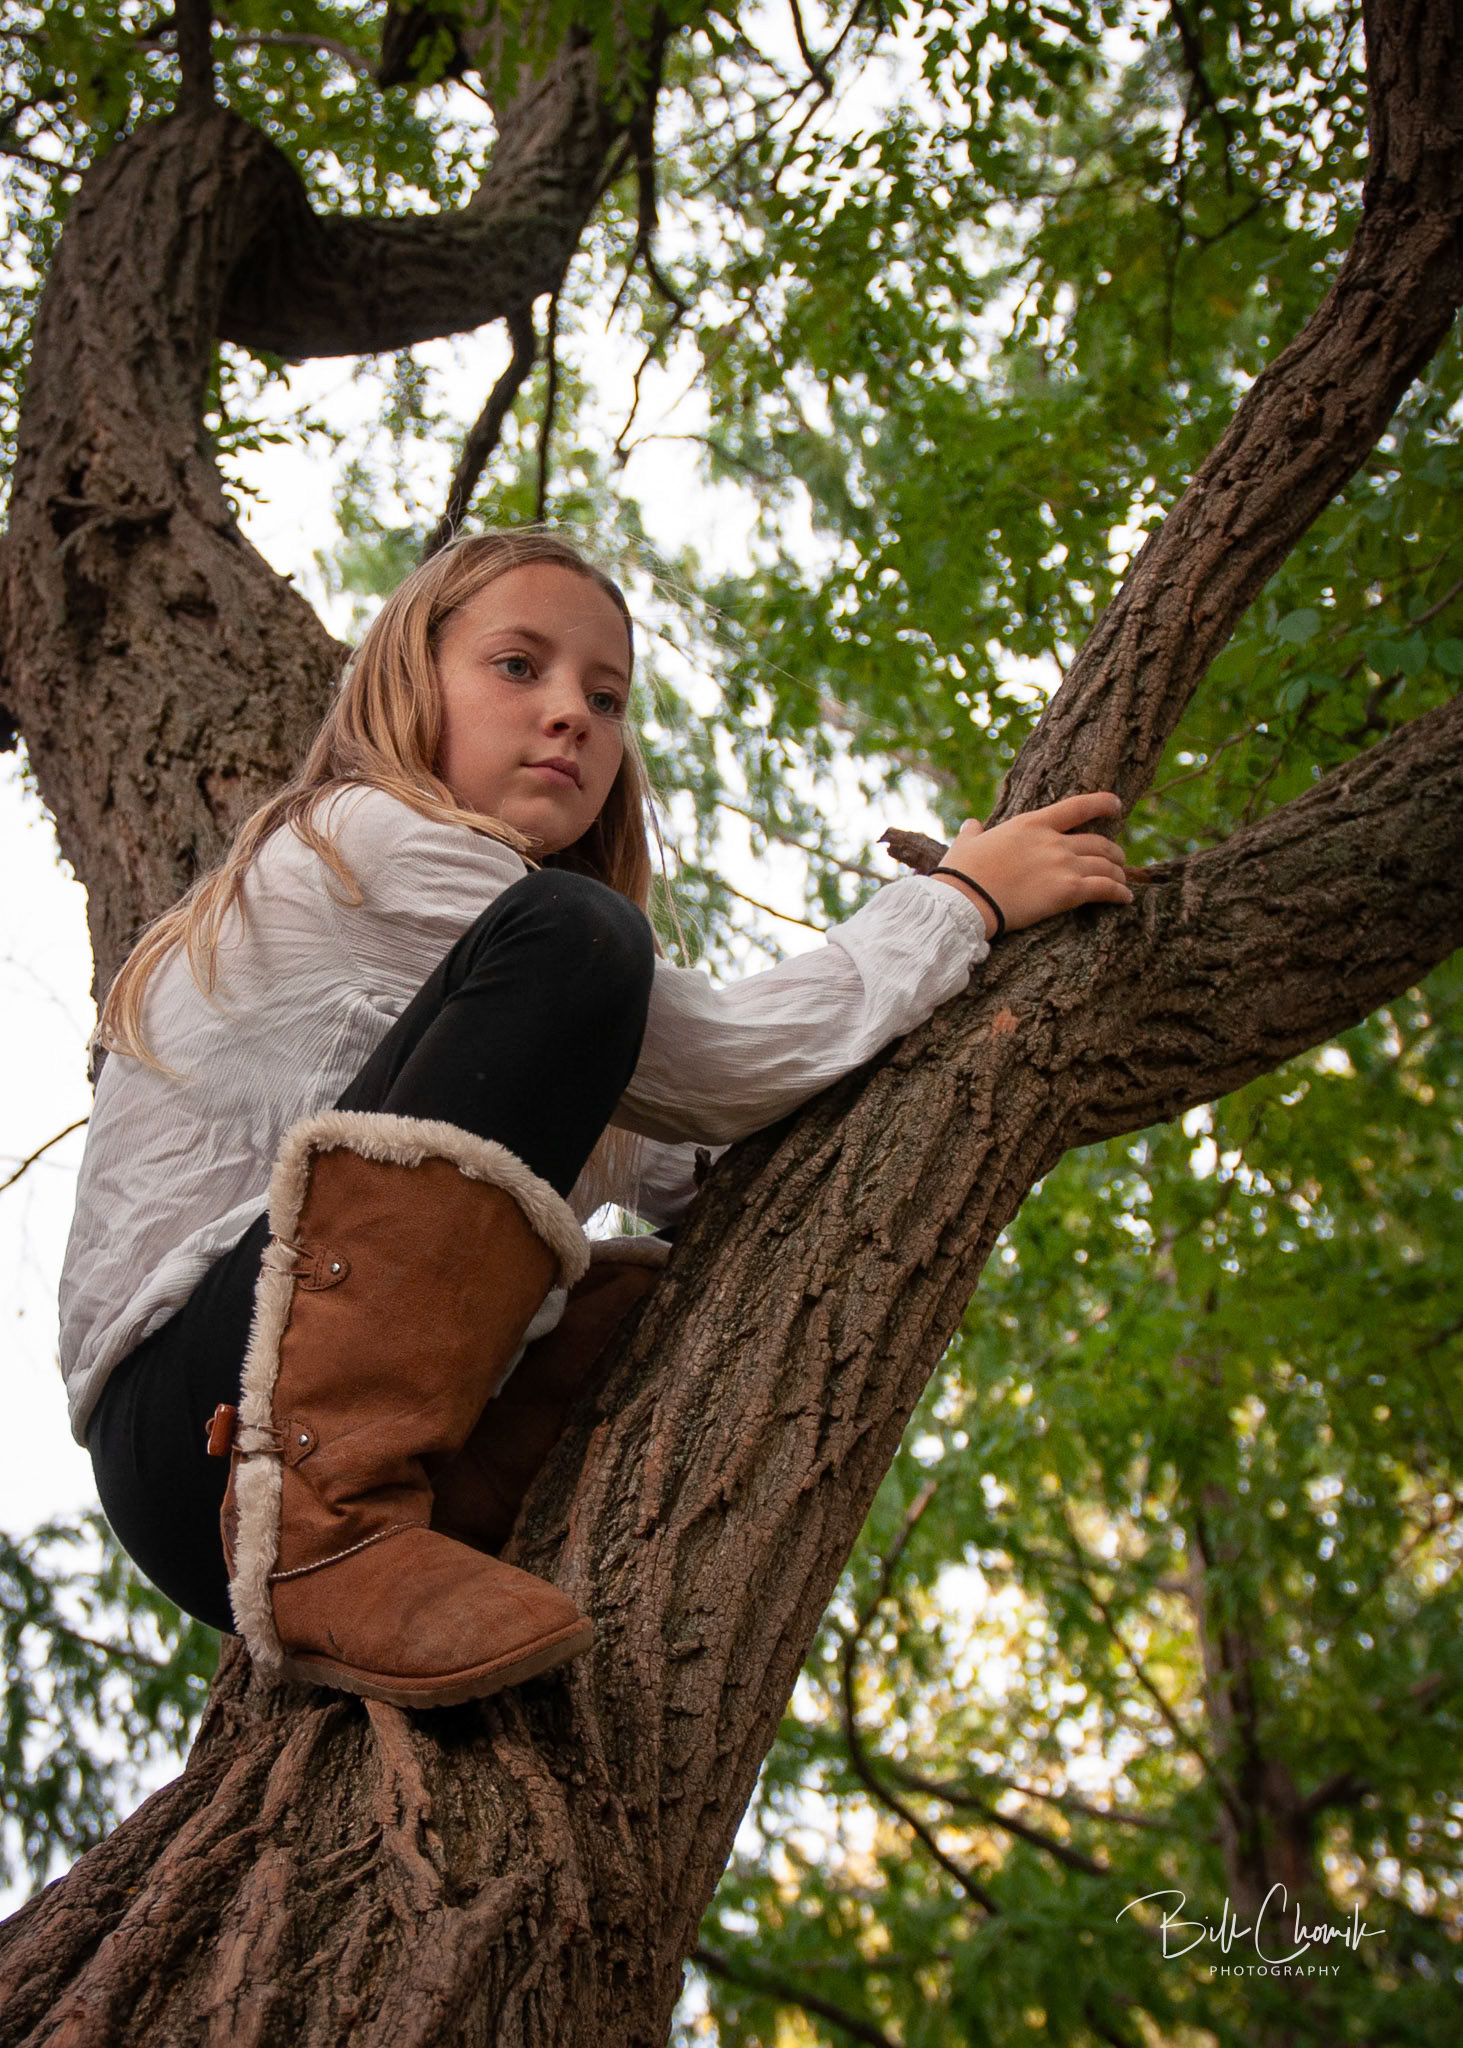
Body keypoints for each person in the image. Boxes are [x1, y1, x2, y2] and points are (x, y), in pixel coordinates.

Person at [58, 529, 1132, 1712]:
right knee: (580, 933)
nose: (571, 712)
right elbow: (721, 1066)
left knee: (640, 1296)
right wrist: (958, 905)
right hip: (202, 1417)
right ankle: (330, 1528)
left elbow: (705, 1152)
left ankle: (413, 1507)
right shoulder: (371, 838)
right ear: (410, 681)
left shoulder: (496, 1004)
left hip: (242, 1427)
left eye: (605, 695)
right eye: (518, 666)